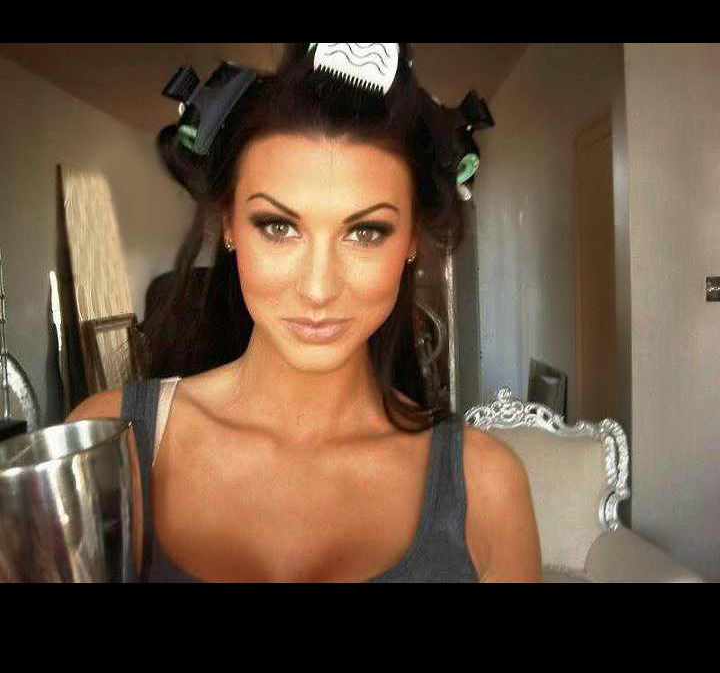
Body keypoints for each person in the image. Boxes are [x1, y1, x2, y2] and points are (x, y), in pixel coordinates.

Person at [66, 43, 541, 582]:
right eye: (278, 226)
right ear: (228, 224)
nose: (318, 289)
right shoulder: (106, 442)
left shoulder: (488, 486)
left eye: (366, 232)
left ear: (412, 238)